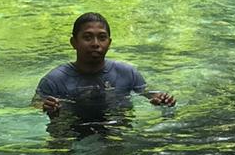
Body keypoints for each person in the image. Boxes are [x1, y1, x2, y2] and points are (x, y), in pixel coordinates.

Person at [34, 12, 175, 118]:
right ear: (74, 42)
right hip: (70, 126)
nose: (95, 44)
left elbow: (147, 92)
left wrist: (161, 99)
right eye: (87, 37)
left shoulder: (127, 73)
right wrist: (46, 107)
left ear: (109, 43)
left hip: (116, 126)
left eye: (102, 37)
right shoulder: (55, 80)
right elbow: (36, 105)